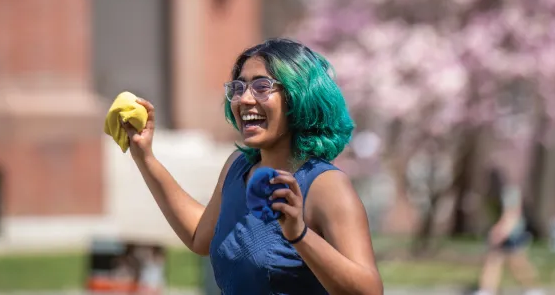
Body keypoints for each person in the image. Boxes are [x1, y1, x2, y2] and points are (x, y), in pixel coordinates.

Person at [121, 38, 383, 294]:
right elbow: (200, 236)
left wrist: (299, 234)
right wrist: (145, 157)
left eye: (261, 86)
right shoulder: (237, 167)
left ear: (299, 96)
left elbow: (369, 291)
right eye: (238, 88)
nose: (244, 99)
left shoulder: (326, 186)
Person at [474, 169, 544, 295]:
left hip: (513, 233)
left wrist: (499, 232)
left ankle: (533, 289)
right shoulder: (493, 194)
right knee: (493, 261)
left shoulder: (510, 192)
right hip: (504, 231)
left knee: (517, 263)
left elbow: (511, 215)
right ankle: (487, 289)